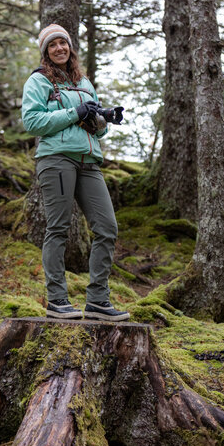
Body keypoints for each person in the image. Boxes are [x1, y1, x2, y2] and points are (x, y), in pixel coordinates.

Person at [22, 23, 129, 322]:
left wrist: (103, 120)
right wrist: (74, 113)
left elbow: (95, 130)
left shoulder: (84, 82)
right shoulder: (39, 81)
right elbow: (32, 122)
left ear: (70, 48)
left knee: (107, 227)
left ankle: (97, 300)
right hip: (56, 159)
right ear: (46, 51)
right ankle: (57, 300)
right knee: (58, 228)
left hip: (89, 161)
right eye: (53, 45)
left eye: (63, 43)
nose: (59, 48)